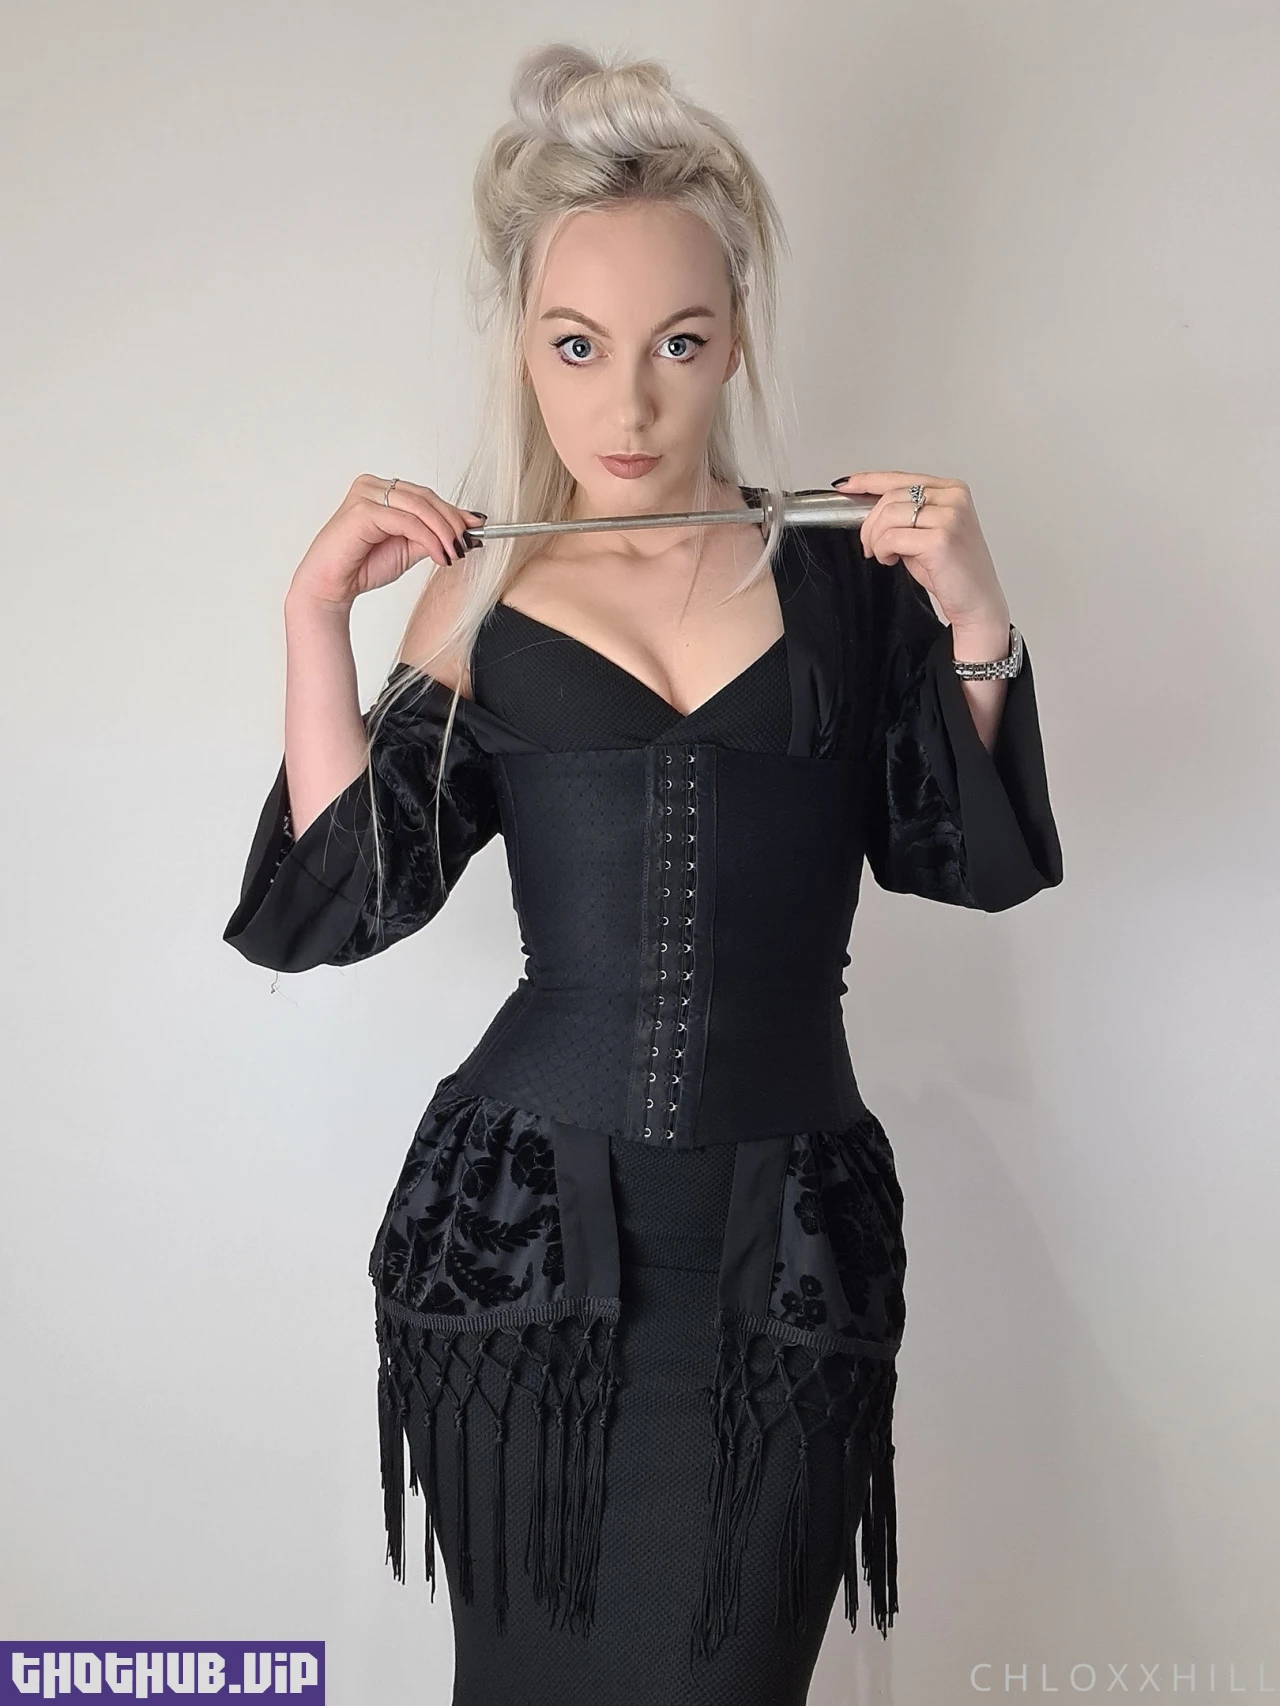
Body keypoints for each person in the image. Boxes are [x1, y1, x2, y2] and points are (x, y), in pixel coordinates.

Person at [223, 41, 1063, 1706]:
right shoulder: (482, 597)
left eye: (678, 342)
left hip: (784, 1251)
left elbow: (967, 860)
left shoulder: (848, 583)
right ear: (523, 350)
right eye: (578, 345)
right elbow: (341, 901)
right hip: (519, 1249)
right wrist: (315, 618)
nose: (629, 404)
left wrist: (976, 616)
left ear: (735, 333)